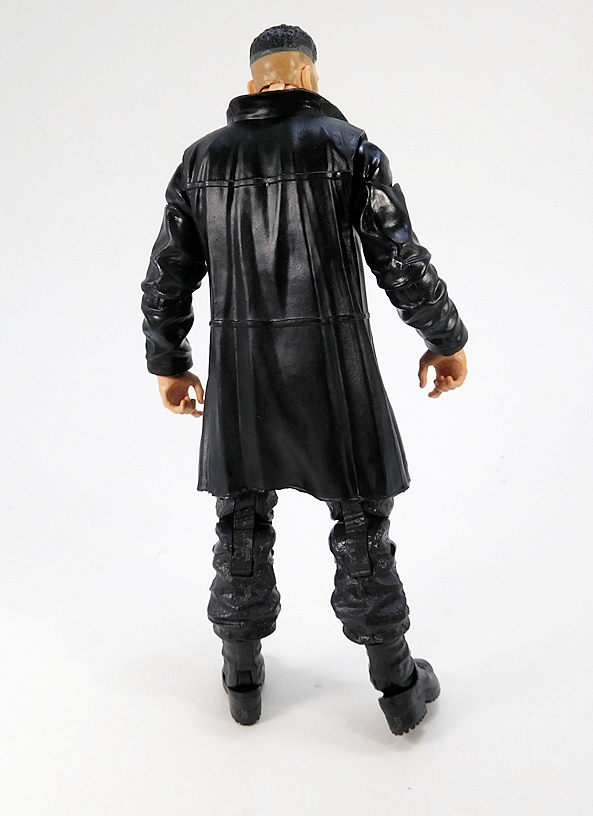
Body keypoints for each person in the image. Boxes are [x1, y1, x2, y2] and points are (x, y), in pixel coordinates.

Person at [141, 24, 468, 735]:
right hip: (334, 371)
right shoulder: (347, 148)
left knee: (240, 523)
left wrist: (169, 361)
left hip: (242, 376)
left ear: (255, 82)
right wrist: (444, 338)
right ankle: (398, 686)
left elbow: (167, 274)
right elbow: (400, 258)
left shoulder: (201, 161)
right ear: (309, 79)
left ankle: (242, 680)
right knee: (361, 527)